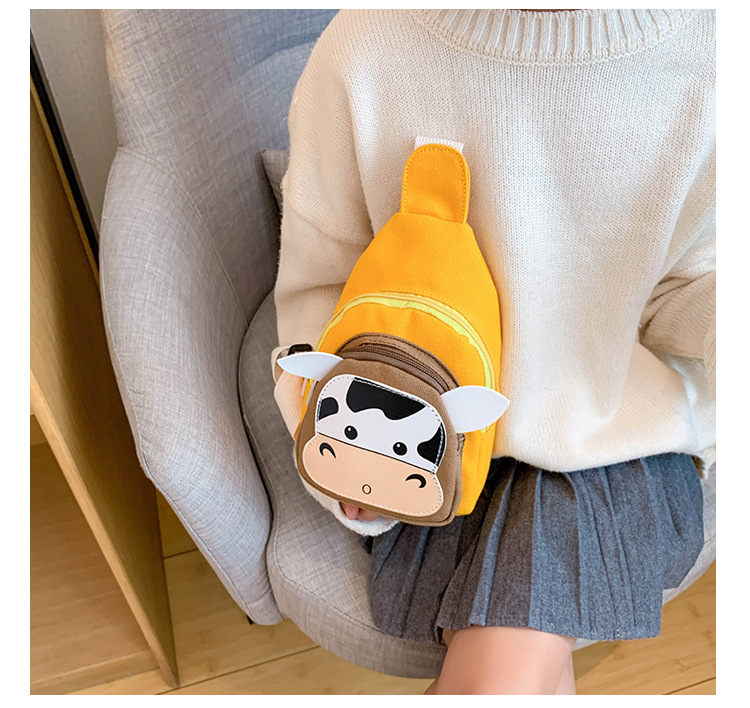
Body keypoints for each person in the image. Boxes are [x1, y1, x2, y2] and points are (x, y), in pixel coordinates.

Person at [271, 9, 715, 695]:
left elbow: (691, 281)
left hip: (618, 438)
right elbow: (321, 292)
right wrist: (356, 458)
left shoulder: (713, 59)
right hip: (423, 445)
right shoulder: (366, 48)